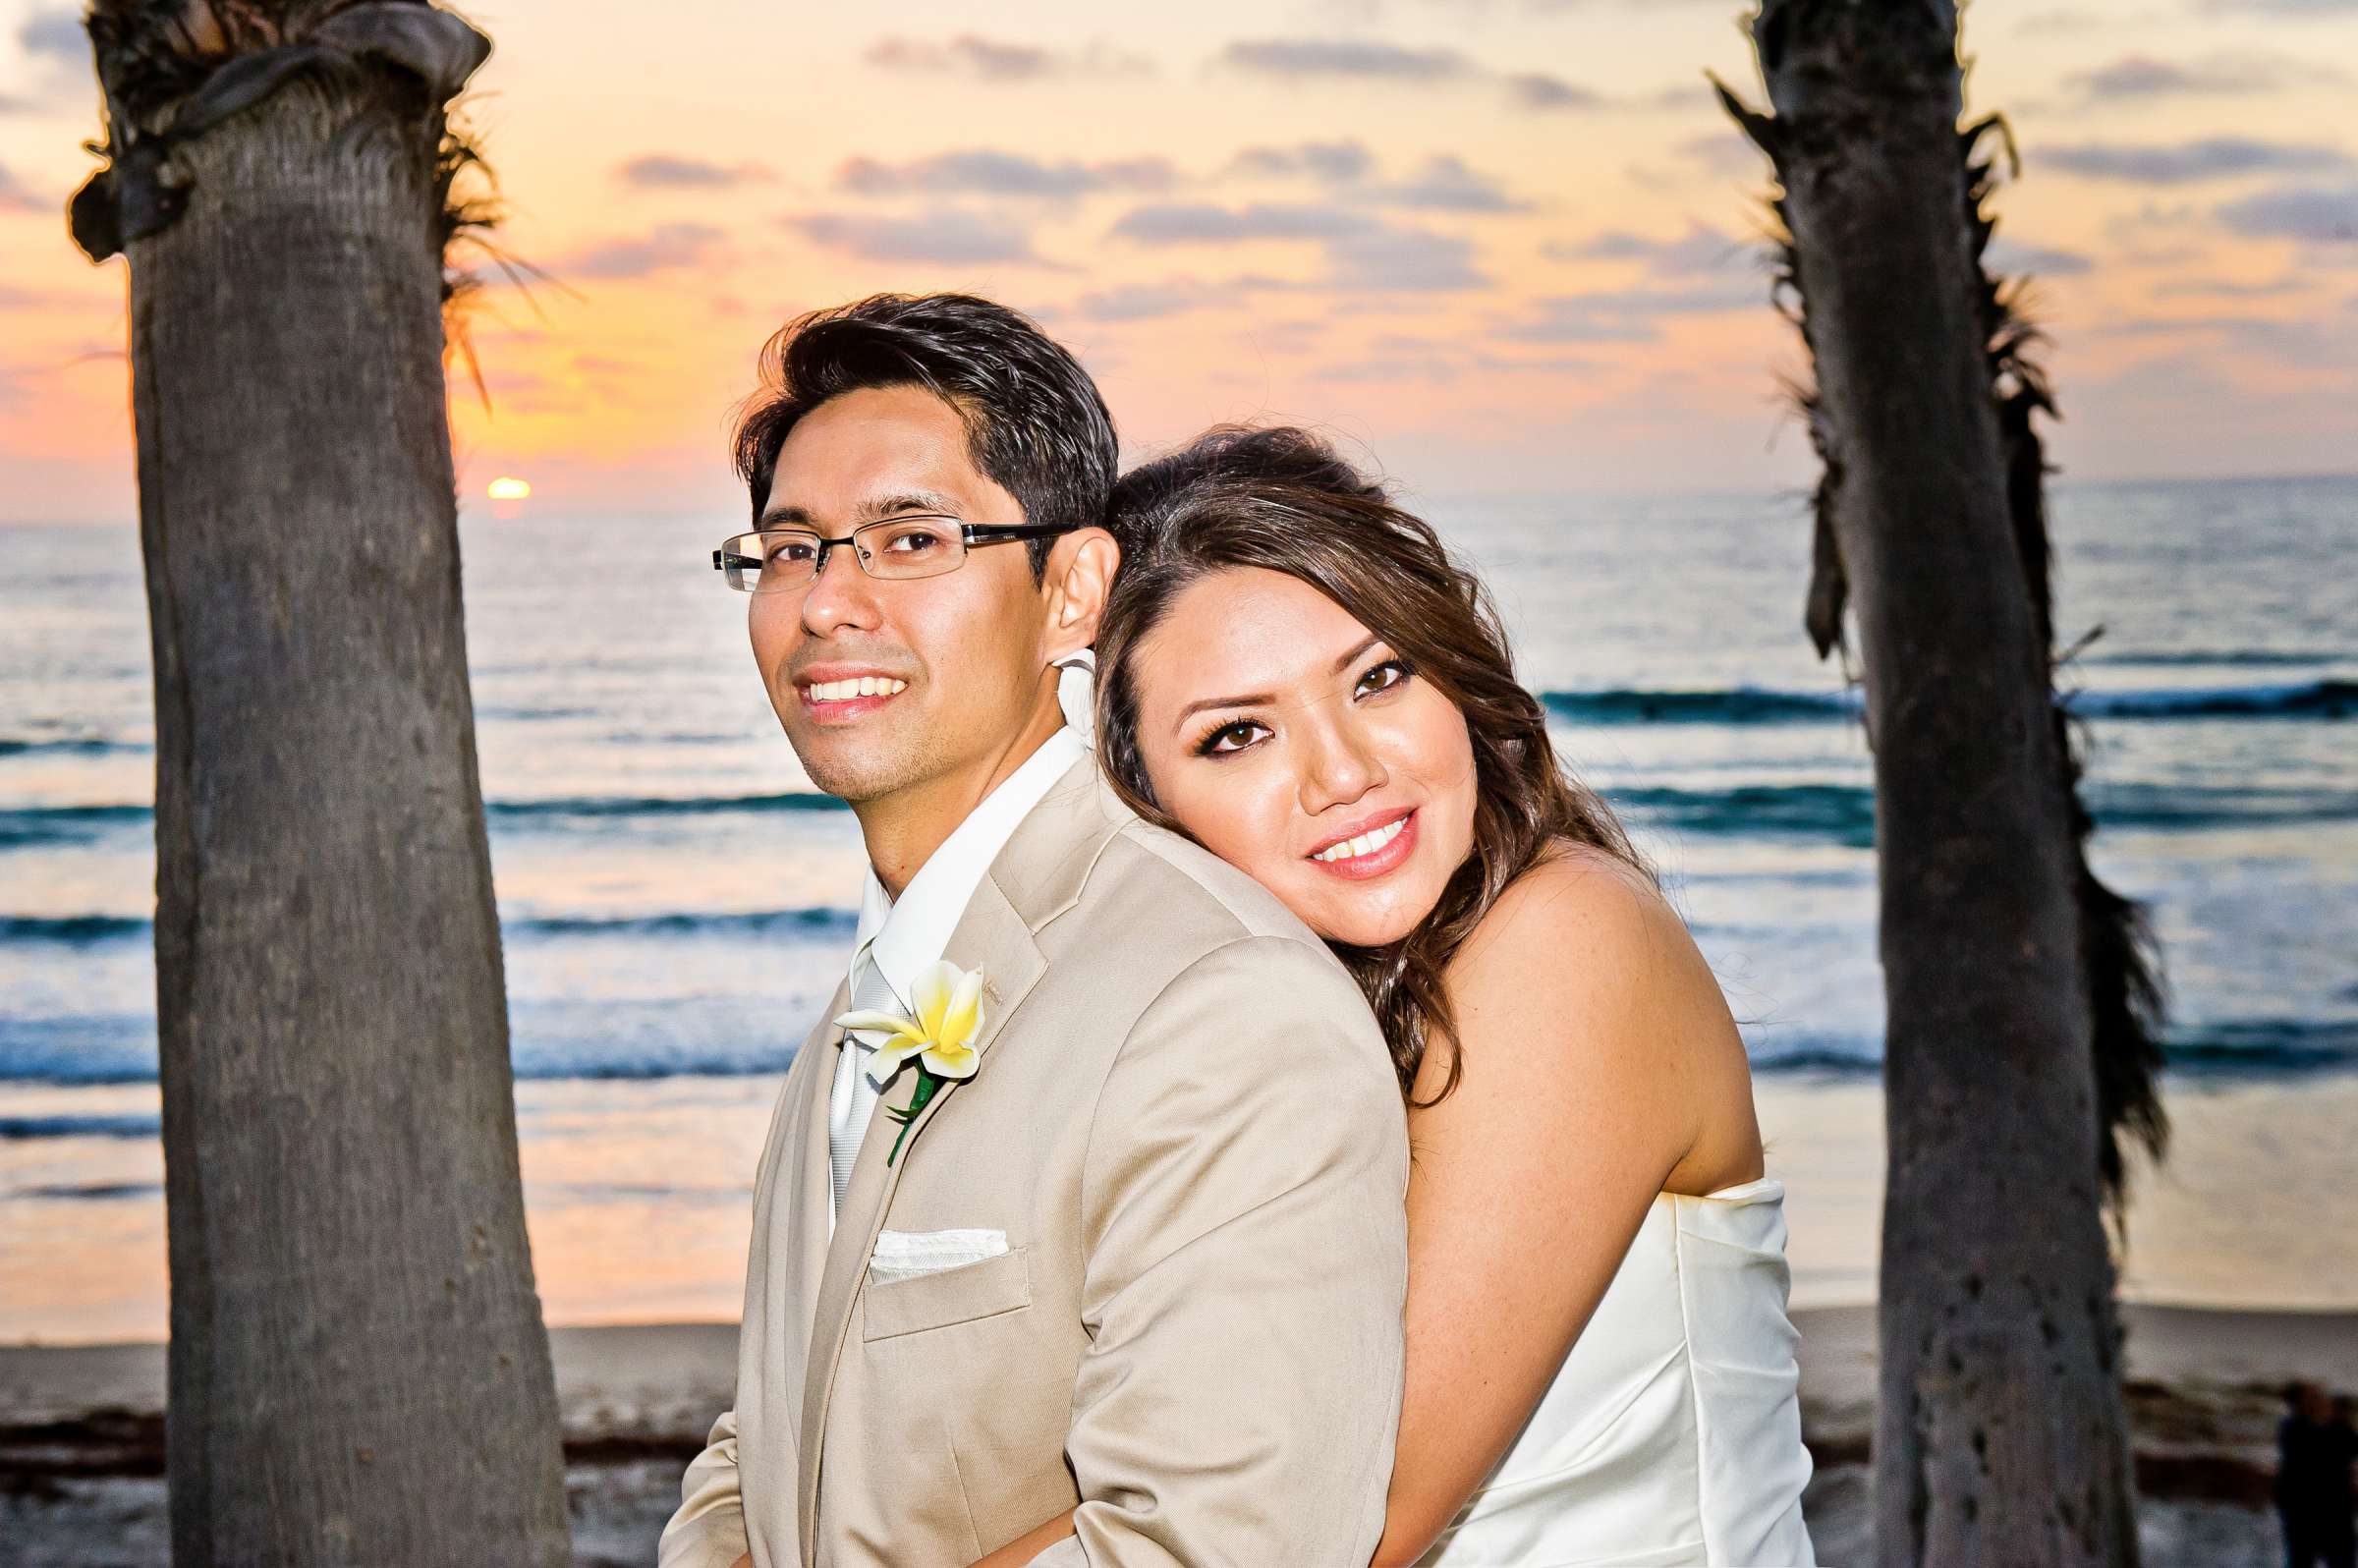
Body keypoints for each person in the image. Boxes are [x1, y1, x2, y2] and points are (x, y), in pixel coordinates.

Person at [657, 303, 1409, 1568]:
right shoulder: (876, 990)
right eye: (790, 551)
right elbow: (771, 1434)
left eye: (911, 538)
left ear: (1072, 591)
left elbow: (1214, 1544)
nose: (829, 604)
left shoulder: (1218, 1005)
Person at [1000, 425, 1818, 1565]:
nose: (1344, 773)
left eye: (1379, 676)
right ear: (1145, 799)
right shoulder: (1270, 1034)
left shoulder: (1568, 942)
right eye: (1238, 735)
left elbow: (1338, 1518)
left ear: (1456, 674)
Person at [2280, 1382, 2358, 1568]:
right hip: (2313, 1512)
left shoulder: (2298, 1429)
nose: (2322, 1401)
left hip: (2326, 1511)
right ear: (2301, 1403)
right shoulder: (2295, 1429)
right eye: (2314, 1397)